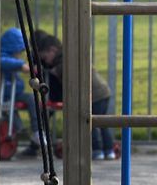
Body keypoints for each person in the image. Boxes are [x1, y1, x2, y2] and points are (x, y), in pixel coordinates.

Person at [33, 31, 117, 160]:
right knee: (101, 122)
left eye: (45, 57)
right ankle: (109, 150)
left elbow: (66, 76)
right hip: (102, 92)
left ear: (52, 50)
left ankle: (98, 150)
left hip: (94, 94)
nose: (45, 60)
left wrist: (53, 72)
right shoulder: (69, 54)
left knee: (91, 122)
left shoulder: (63, 62)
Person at [0, 28, 41, 157]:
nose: (20, 54)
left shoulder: (10, 57)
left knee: (32, 99)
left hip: (14, 94)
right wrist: (20, 64)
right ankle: (27, 131)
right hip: (4, 94)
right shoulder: (2, 56)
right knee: (12, 109)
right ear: (13, 48)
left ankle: (34, 131)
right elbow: (3, 61)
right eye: (19, 51)